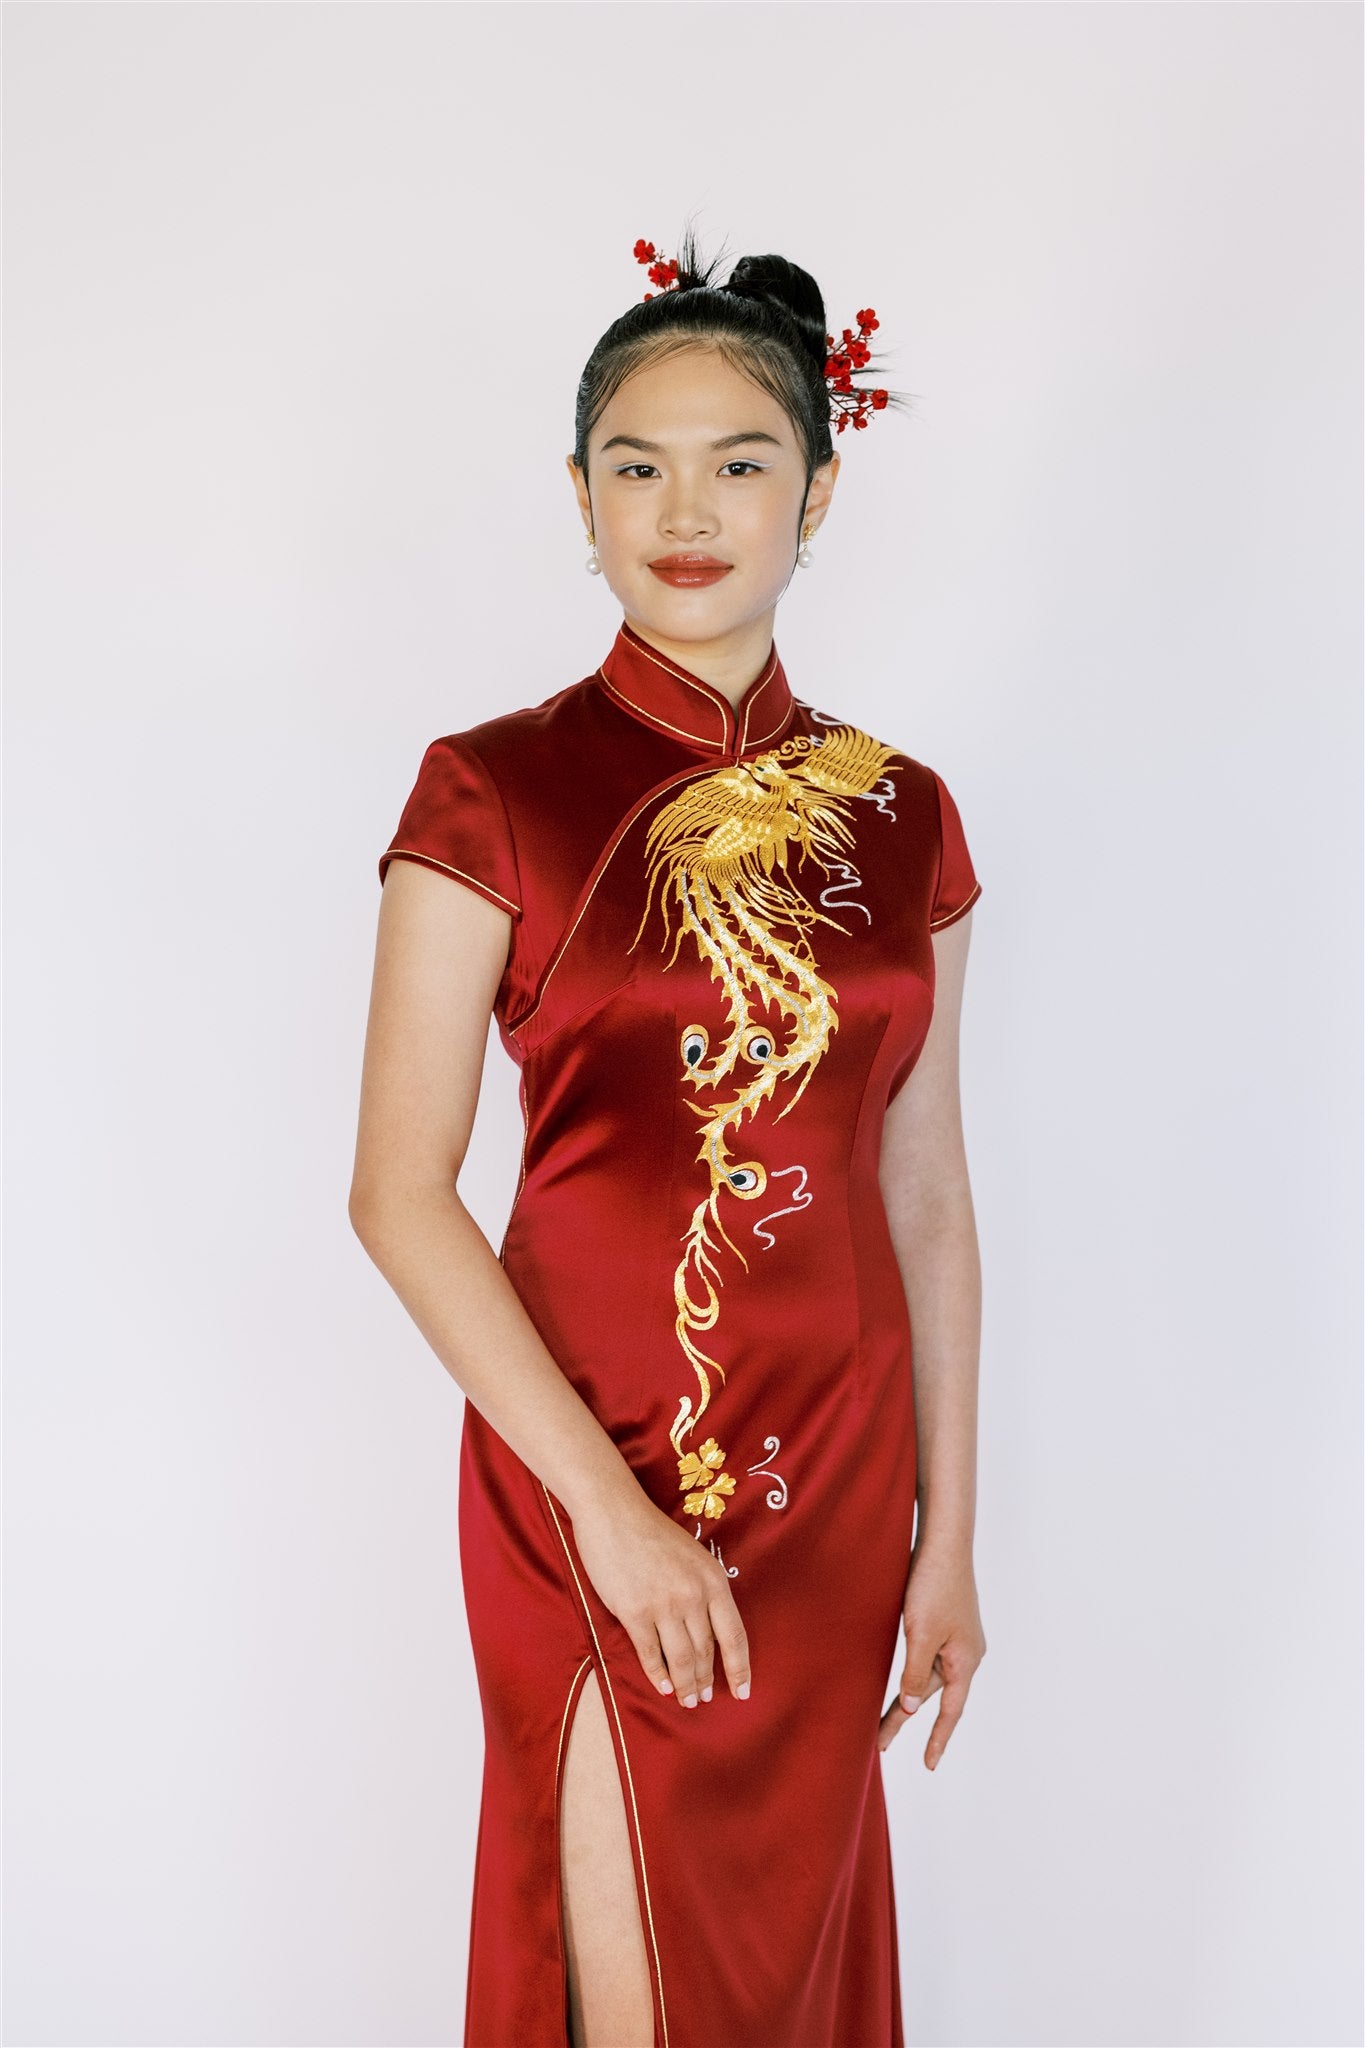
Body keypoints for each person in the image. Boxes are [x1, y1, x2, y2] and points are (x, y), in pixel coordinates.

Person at [349, 221, 987, 2048]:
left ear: (819, 489)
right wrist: (612, 1519)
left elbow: (922, 1194)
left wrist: (949, 1535)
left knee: (786, 1983)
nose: (685, 509)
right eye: (637, 464)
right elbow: (397, 1196)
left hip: (845, 1482)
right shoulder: (493, 787)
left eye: (740, 462)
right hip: (588, 1465)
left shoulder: (905, 817)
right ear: (577, 492)